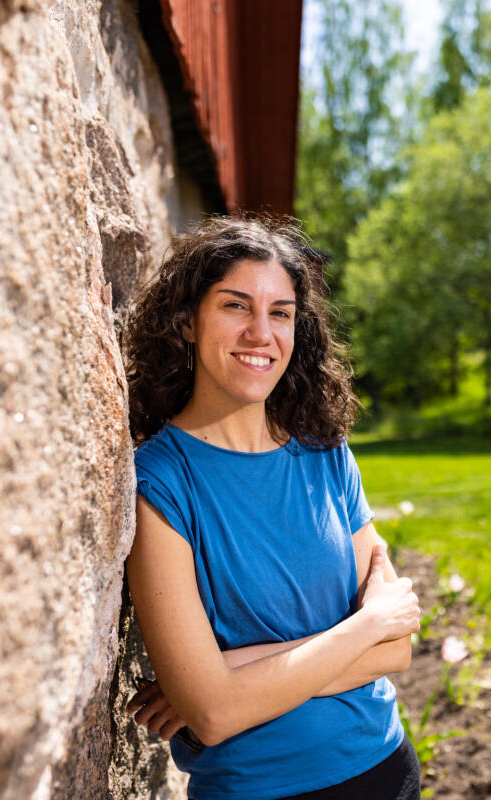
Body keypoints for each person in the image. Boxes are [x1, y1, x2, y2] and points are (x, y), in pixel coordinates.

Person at [121, 216, 422, 799]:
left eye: (279, 312)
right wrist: (365, 626)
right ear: (187, 322)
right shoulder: (160, 482)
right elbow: (209, 716)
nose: (261, 332)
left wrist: (237, 674)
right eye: (236, 306)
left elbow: (398, 647)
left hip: (387, 770)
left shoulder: (325, 453)